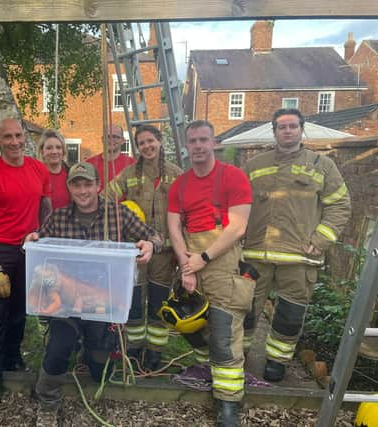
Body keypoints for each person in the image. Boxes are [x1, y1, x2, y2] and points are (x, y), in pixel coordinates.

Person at [26, 162, 163, 414]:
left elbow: (154, 236)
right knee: (57, 350)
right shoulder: (58, 218)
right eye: (76, 185)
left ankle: (90, 351)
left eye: (88, 184)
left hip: (104, 303)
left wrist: (150, 245)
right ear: (69, 188)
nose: (83, 191)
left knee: (100, 368)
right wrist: (34, 238)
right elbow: (40, 240)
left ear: (98, 186)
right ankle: (47, 402)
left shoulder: (118, 215)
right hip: (66, 303)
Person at [242, 108, 351, 382]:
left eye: (292, 126)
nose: (287, 131)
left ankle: (277, 360)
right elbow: (237, 201)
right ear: (274, 130)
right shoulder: (255, 164)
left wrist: (321, 239)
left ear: (302, 130)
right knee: (245, 307)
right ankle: (238, 352)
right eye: (281, 126)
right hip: (256, 253)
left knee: (290, 313)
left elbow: (339, 204)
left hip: (299, 256)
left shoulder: (322, 165)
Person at [167, 120, 253, 426]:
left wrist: (204, 257)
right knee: (188, 323)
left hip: (222, 258)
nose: (199, 146)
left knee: (223, 330)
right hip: (191, 257)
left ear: (214, 142)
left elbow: (238, 226)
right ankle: (209, 370)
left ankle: (228, 402)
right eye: (193, 141)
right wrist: (185, 264)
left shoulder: (233, 177)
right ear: (186, 145)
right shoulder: (180, 184)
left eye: (204, 139)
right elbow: (174, 226)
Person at [0, 118, 52, 424]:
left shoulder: (38, 169)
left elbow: (46, 209)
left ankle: (12, 359)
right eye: (8, 137)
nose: (15, 141)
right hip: (1, 250)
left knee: (19, 314)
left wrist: (45, 239)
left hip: (29, 249)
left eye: (19, 136)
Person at [107, 124, 182, 371]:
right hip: (135, 251)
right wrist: (119, 225)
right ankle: (135, 347)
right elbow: (104, 198)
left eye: (151, 141)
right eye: (142, 143)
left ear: (160, 141)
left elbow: (188, 210)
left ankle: (155, 352)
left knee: (160, 301)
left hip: (165, 251)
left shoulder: (176, 175)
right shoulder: (128, 175)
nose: (147, 146)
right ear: (137, 147)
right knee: (136, 302)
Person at [87, 124, 135, 191]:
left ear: (123, 140)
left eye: (115, 136)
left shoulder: (133, 164)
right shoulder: (89, 165)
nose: (111, 140)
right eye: (108, 136)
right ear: (102, 139)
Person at [37, 129, 71, 209]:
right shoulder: (35, 175)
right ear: (42, 151)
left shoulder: (72, 174)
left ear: (63, 151)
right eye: (49, 148)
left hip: (67, 220)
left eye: (58, 147)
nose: (54, 151)